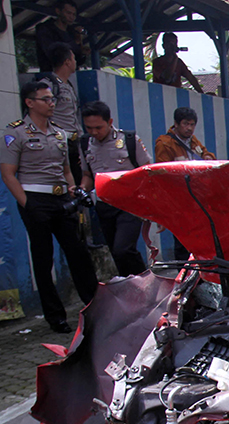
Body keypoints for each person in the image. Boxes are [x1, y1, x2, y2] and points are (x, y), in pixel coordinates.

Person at [0, 81, 97, 333]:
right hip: (35, 200)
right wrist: (27, 204)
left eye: (52, 99)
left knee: (78, 253)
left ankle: (95, 307)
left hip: (62, 200)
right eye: (45, 99)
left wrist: (73, 191)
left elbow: (66, 170)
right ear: (30, 103)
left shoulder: (59, 134)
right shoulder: (15, 133)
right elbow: (8, 174)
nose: (52, 103)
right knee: (43, 260)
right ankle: (56, 317)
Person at [80, 100, 151, 276]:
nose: (94, 132)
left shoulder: (129, 140)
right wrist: (81, 188)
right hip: (104, 205)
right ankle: (131, 285)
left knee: (123, 249)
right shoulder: (85, 143)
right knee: (116, 253)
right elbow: (87, 175)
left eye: (98, 127)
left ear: (110, 122)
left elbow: (147, 171)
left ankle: (146, 283)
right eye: (89, 128)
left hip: (129, 205)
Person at [154, 107, 213, 260]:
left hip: (196, 196)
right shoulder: (164, 143)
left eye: (192, 124)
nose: (189, 128)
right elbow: (162, 175)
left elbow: (204, 153)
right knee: (183, 241)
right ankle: (184, 271)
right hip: (178, 198)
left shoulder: (192, 140)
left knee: (200, 239)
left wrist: (207, 157)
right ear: (176, 124)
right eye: (186, 124)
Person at [37, 42, 83, 184]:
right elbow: (42, 115)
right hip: (59, 142)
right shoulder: (49, 85)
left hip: (74, 144)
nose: (75, 62)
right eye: (73, 58)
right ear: (67, 62)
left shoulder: (68, 85)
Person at [34, 0, 89, 72]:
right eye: (68, 13)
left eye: (74, 15)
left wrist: (83, 53)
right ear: (58, 11)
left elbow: (77, 61)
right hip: (51, 73)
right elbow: (52, 52)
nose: (71, 17)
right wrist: (74, 43)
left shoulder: (71, 32)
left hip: (70, 75)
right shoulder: (45, 29)